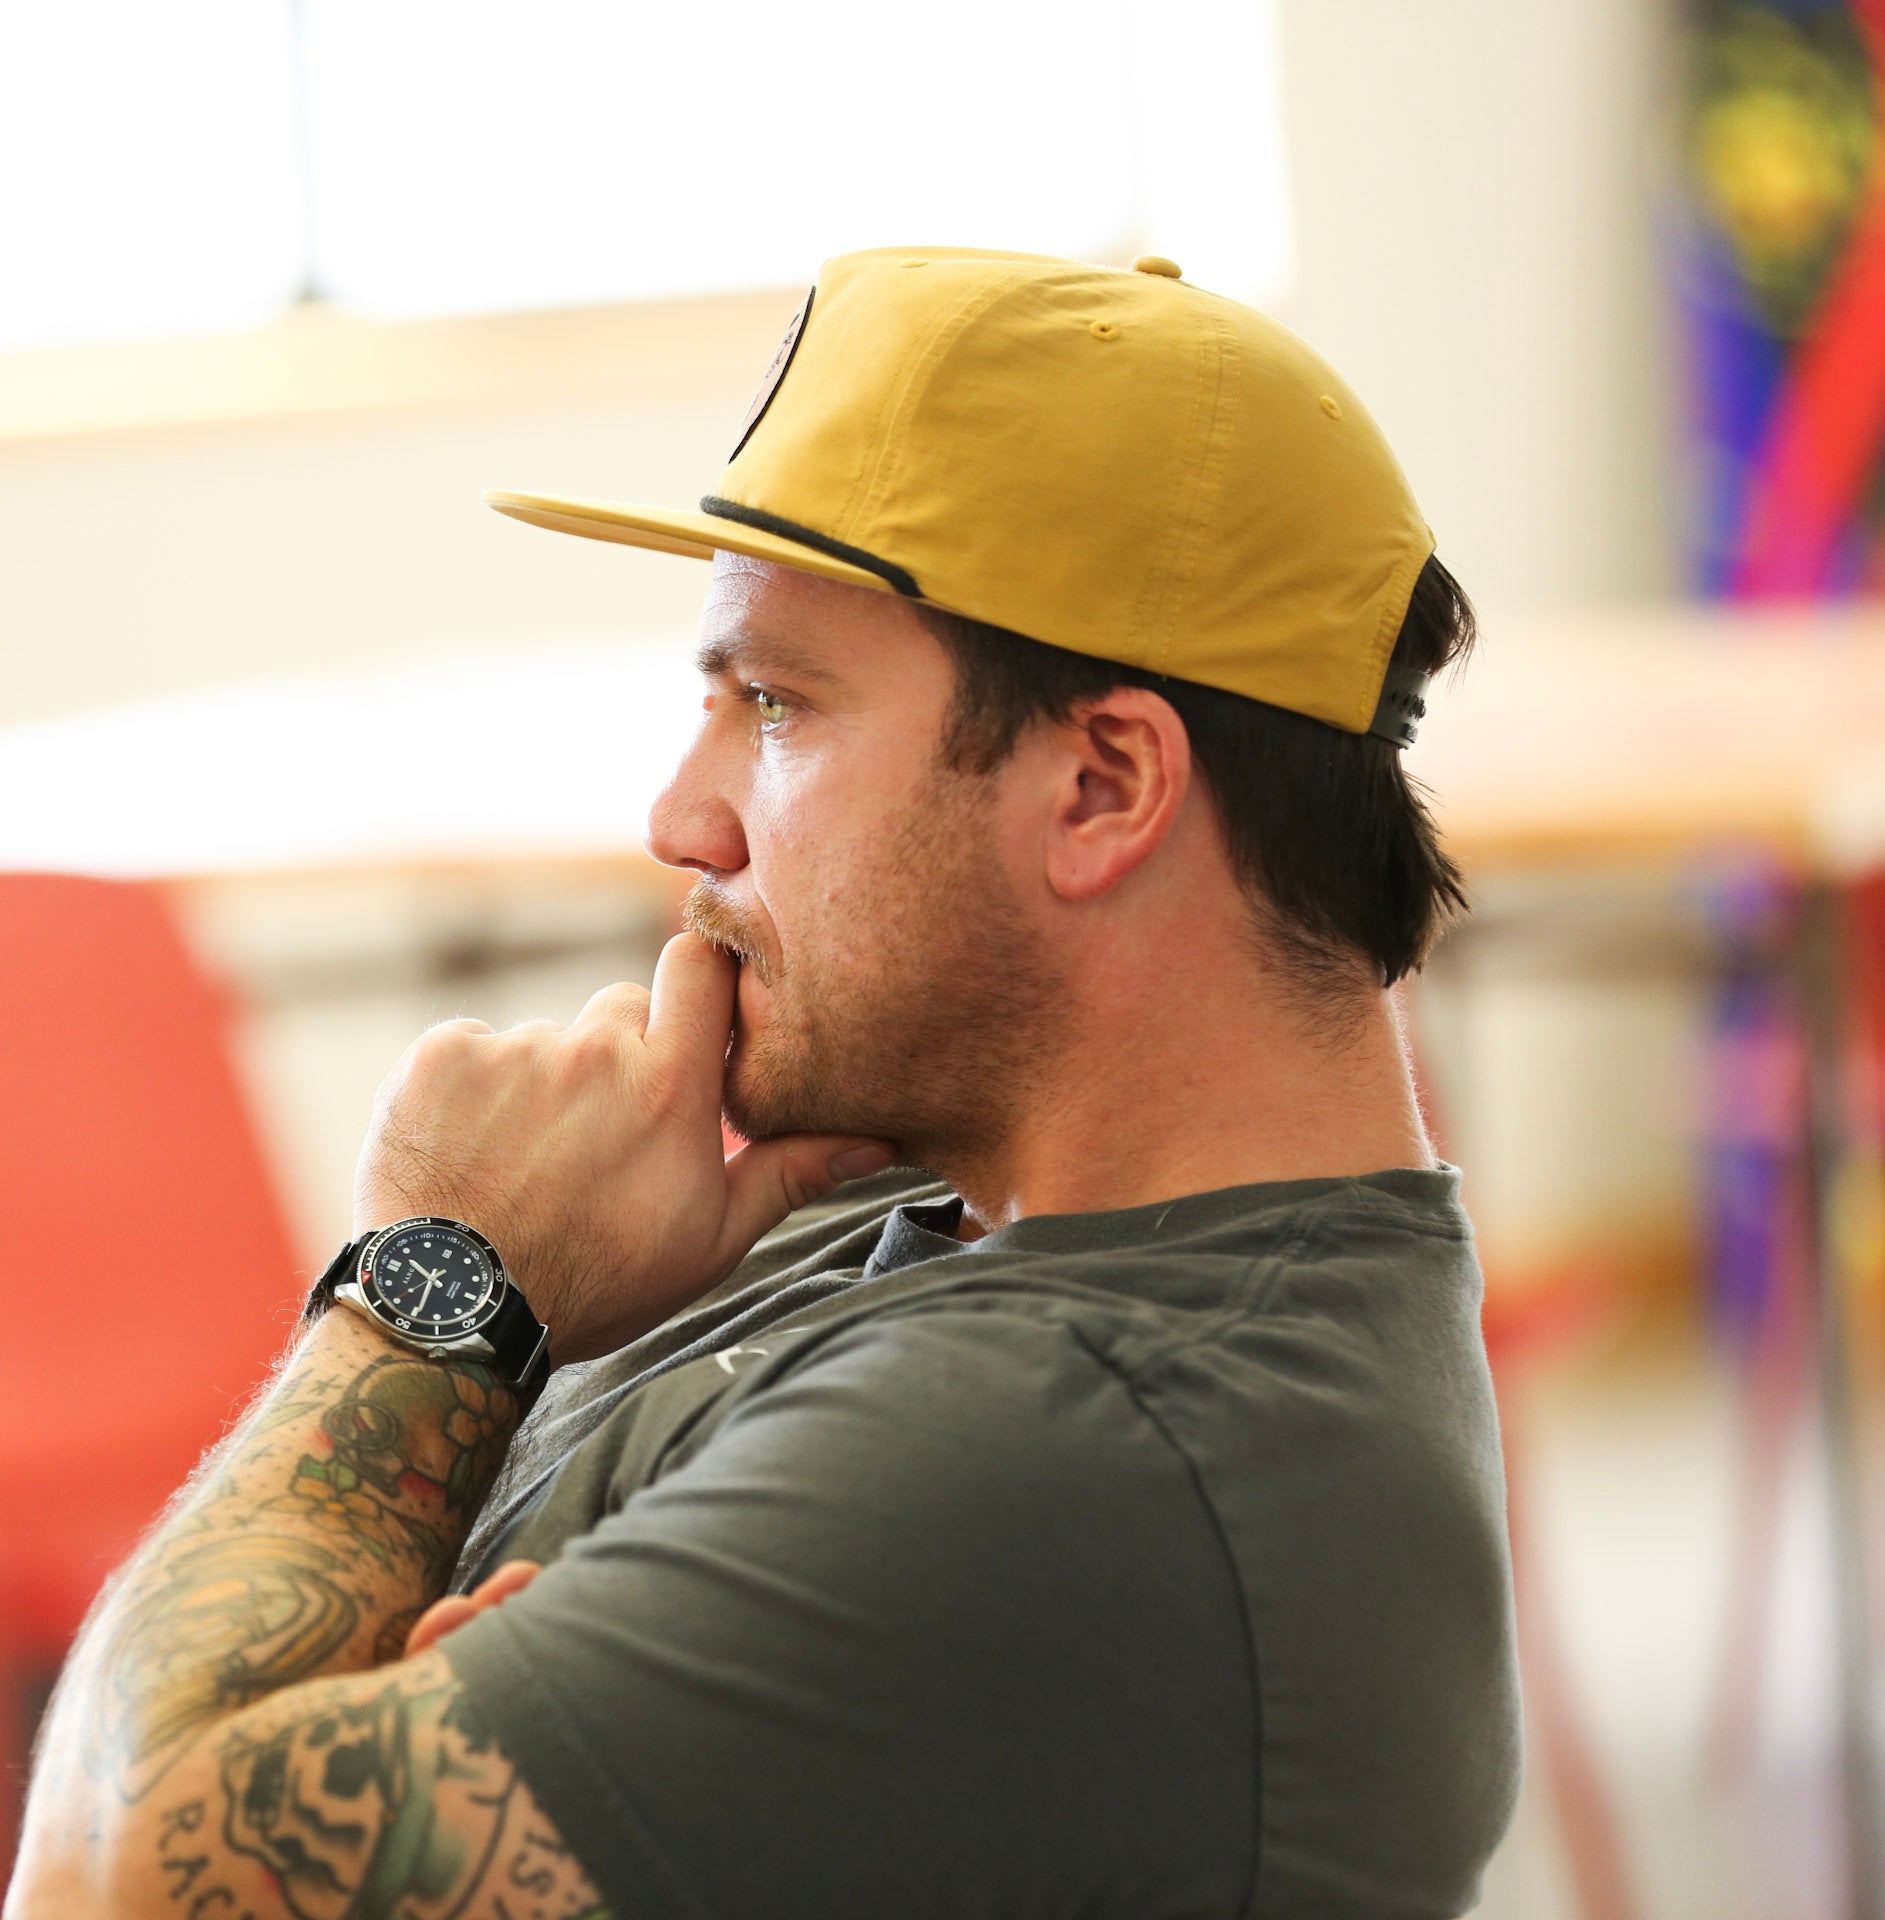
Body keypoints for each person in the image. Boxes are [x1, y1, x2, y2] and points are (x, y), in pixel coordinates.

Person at [9, 245, 1521, 1920]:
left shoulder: (1082, 1459)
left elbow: (105, 1882)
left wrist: (436, 1291)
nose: (680, 816)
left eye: (777, 706)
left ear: (1100, 785)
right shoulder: (930, 1191)